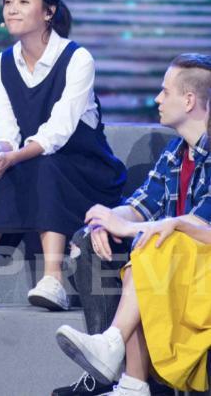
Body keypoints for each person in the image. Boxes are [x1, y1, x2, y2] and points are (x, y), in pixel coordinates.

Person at [0, 0, 126, 310]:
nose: (12, 9)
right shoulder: (0, 65)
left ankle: (53, 279)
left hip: (85, 169)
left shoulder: (77, 58)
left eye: (24, 2)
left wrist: (15, 156)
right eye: (8, 1)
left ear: (48, 11)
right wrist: (1, 151)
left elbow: (59, 130)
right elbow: (6, 128)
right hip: (34, 161)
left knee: (44, 161)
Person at [55, 53, 211, 395]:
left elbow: (198, 224)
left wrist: (130, 229)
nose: (157, 99)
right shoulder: (175, 153)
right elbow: (140, 206)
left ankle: (124, 366)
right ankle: (106, 365)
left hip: (200, 270)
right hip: (169, 264)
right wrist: (108, 221)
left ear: (188, 100)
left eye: (164, 91)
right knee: (89, 239)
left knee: (155, 242)